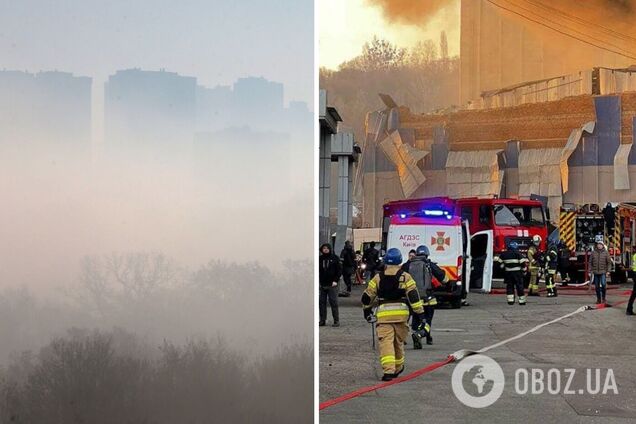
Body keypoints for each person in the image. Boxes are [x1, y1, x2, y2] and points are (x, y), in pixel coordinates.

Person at [361, 248, 427, 381]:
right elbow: (413, 297)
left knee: (386, 343)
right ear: (400, 261)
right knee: (398, 342)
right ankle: (398, 367)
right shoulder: (406, 277)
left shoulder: (378, 277)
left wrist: (367, 311)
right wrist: (420, 315)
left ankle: (388, 372)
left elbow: (367, 297)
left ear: (385, 261)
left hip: (384, 316)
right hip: (401, 316)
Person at [406, 245, 451, 348]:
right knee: (428, 320)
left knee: (417, 320)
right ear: (426, 255)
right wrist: (449, 285)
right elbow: (443, 277)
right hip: (428, 299)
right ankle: (420, 334)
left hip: (413, 300)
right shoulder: (429, 264)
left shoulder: (408, 265)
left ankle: (421, 335)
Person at [496, 241, 527, 305]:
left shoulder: (504, 254)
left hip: (508, 273)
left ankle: (510, 301)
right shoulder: (518, 253)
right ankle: (521, 301)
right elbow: (523, 264)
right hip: (517, 273)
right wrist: (524, 271)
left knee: (510, 286)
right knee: (519, 286)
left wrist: (503, 267)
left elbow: (498, 263)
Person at [319, 243, 341, 327]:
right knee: (322, 303)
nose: (325, 250)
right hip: (323, 284)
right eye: (324, 248)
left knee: (333, 302)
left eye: (327, 248)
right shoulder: (320, 259)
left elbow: (339, 270)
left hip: (332, 284)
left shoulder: (335, 258)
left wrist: (335, 280)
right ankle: (322, 320)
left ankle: (336, 320)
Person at [590, 240, 612, 304]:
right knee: (596, 286)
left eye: (600, 245)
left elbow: (609, 263)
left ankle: (603, 298)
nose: (599, 246)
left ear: (602, 246)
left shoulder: (606, 253)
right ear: (597, 245)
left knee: (603, 284)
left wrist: (608, 271)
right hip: (596, 272)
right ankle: (598, 299)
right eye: (598, 244)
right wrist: (590, 270)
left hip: (603, 272)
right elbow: (590, 262)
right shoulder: (593, 252)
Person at [627, 247, 636, 315]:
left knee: (634, 293)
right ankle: (629, 309)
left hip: (634, 274)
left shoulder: (635, 255)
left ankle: (629, 309)